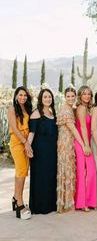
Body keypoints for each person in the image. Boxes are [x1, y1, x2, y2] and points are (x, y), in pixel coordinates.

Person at [56, 87, 87, 213]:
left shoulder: (69, 109)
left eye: (72, 96)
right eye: (68, 96)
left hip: (67, 142)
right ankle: (66, 203)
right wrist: (84, 144)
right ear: (65, 97)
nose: (70, 98)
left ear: (75, 96)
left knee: (68, 170)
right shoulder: (66, 111)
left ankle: (68, 201)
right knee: (66, 170)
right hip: (66, 143)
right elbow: (73, 130)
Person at [28, 88, 58, 214]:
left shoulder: (52, 114)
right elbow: (31, 133)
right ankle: (39, 206)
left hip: (52, 152)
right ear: (41, 99)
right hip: (40, 151)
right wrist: (28, 147)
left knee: (50, 177)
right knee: (40, 177)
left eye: (49, 97)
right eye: (45, 97)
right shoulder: (36, 113)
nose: (48, 99)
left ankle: (50, 205)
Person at [7, 86, 32, 219]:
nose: (22, 97)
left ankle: (16, 197)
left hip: (26, 142)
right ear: (16, 96)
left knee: (21, 172)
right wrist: (25, 142)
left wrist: (28, 142)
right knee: (21, 171)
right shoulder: (12, 108)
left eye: (25, 95)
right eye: (20, 95)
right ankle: (20, 203)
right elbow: (14, 128)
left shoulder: (27, 109)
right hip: (17, 142)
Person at [74, 85, 96, 211]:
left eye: (89, 94)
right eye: (84, 94)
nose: (87, 96)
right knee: (84, 172)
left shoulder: (88, 108)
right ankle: (82, 203)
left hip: (86, 141)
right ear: (80, 96)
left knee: (90, 172)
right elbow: (82, 126)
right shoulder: (81, 108)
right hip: (81, 142)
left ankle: (87, 201)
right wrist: (86, 145)